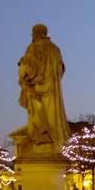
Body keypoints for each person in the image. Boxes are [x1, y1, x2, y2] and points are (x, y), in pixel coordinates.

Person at [17, 24, 70, 153]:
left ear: (35, 33)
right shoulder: (55, 49)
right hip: (52, 88)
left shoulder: (34, 47)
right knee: (52, 114)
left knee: (37, 113)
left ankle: (39, 140)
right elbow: (62, 69)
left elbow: (27, 68)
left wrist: (22, 76)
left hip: (37, 88)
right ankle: (52, 139)